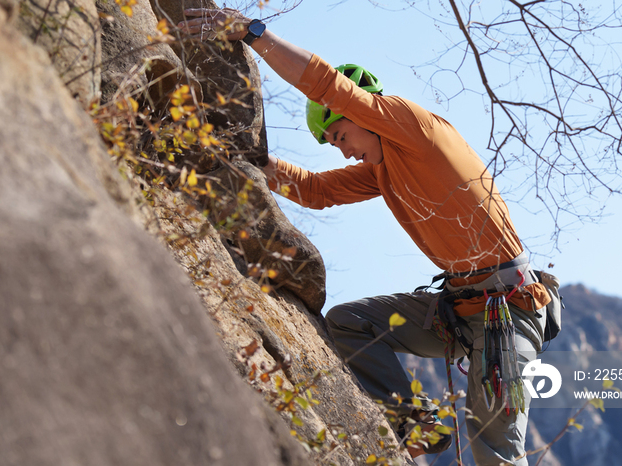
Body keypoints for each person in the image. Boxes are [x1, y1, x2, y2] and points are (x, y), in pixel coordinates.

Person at [180, 9, 554, 464]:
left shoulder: (413, 127)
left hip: (506, 310)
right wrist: (254, 165)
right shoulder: (382, 172)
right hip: (458, 307)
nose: (343, 150)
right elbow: (317, 191)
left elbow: (325, 84)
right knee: (349, 322)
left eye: (339, 134)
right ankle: (415, 421)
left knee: (494, 447)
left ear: (363, 111)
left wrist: (254, 34)